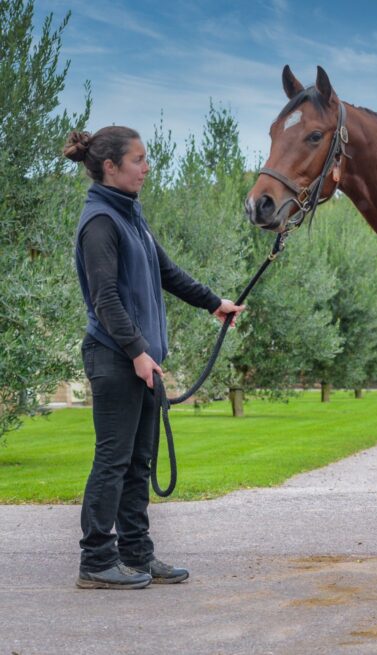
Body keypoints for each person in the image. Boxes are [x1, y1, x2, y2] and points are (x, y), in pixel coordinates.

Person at [63, 126, 245, 589]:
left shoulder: (130, 216)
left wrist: (214, 302)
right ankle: (96, 562)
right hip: (114, 359)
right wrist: (138, 353)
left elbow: (166, 271)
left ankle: (138, 555)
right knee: (113, 461)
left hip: (138, 362)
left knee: (138, 462)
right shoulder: (100, 221)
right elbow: (105, 300)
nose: (146, 168)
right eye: (138, 160)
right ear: (110, 167)